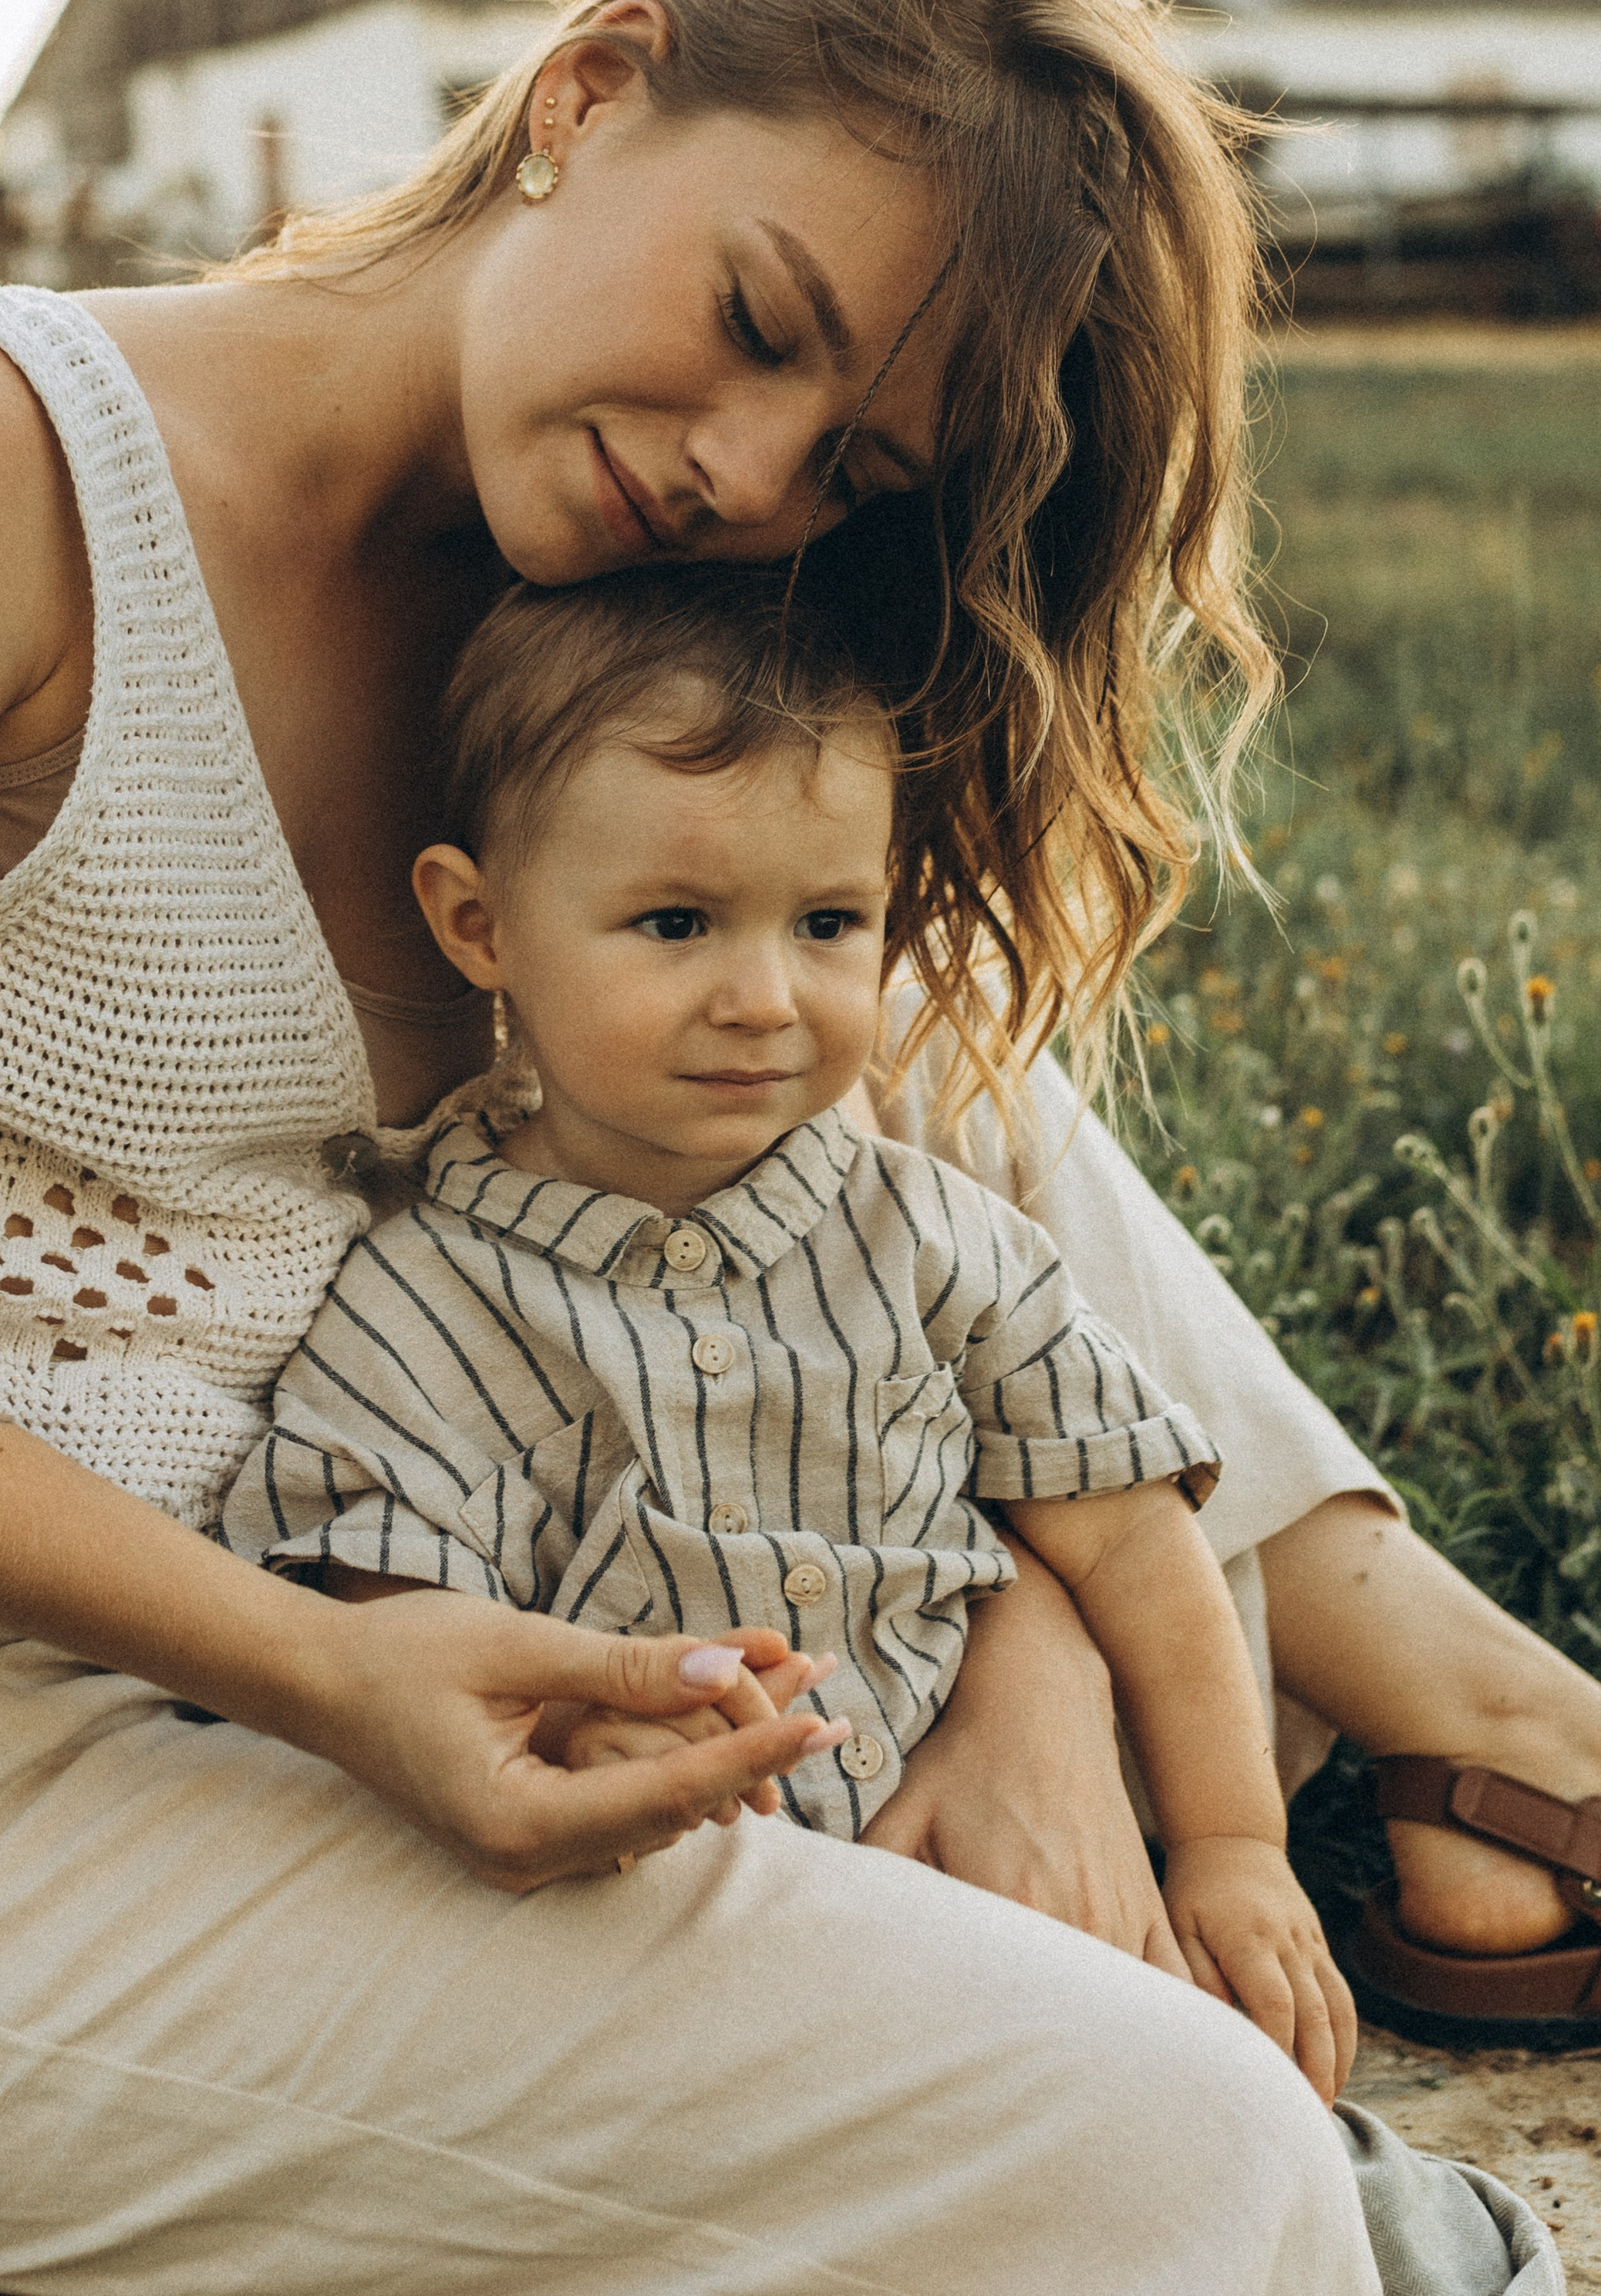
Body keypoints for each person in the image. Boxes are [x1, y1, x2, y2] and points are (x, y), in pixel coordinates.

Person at [0, 0, 1586, 2292]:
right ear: (586, 89)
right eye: (758, 318)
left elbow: (863, 1214)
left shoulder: (607, 604)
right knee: (1175, 2162)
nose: (752, 473)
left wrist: (1025, 1661)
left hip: (426, 1606)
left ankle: (1436, 1697)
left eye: (857, 466)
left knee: (833, 992)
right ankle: (1424, 1809)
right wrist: (320, 1669)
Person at [232, 564, 1360, 2102]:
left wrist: (1230, 1841)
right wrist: (570, 1725)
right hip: (640, 1930)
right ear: (478, 924)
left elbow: (1135, 1548)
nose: (763, 996)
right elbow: (401, 1630)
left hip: (976, 1874)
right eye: (676, 921)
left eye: (828, 920)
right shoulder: (429, 1298)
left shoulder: (937, 1242)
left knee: (1173, 2111)